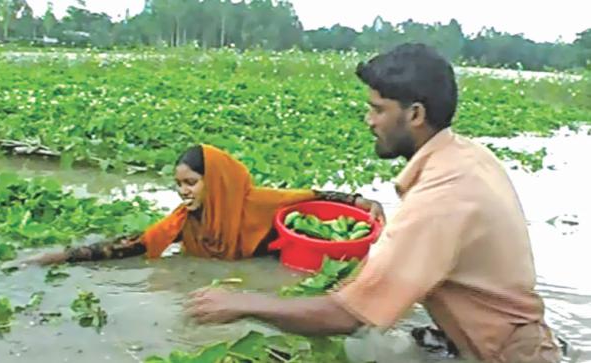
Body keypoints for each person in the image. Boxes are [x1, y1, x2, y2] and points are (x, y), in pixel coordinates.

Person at [185, 43, 561, 363]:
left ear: (415, 114)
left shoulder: (443, 195)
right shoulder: (467, 157)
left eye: (378, 109)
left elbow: (349, 315)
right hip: (506, 341)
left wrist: (242, 303)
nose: (369, 120)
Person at [23, 144, 384, 265]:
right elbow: (134, 245)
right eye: (179, 185)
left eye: (191, 183)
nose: (183, 192)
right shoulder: (185, 221)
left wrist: (359, 200)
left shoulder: (261, 203)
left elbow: (312, 197)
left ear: (217, 181)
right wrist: (62, 256)